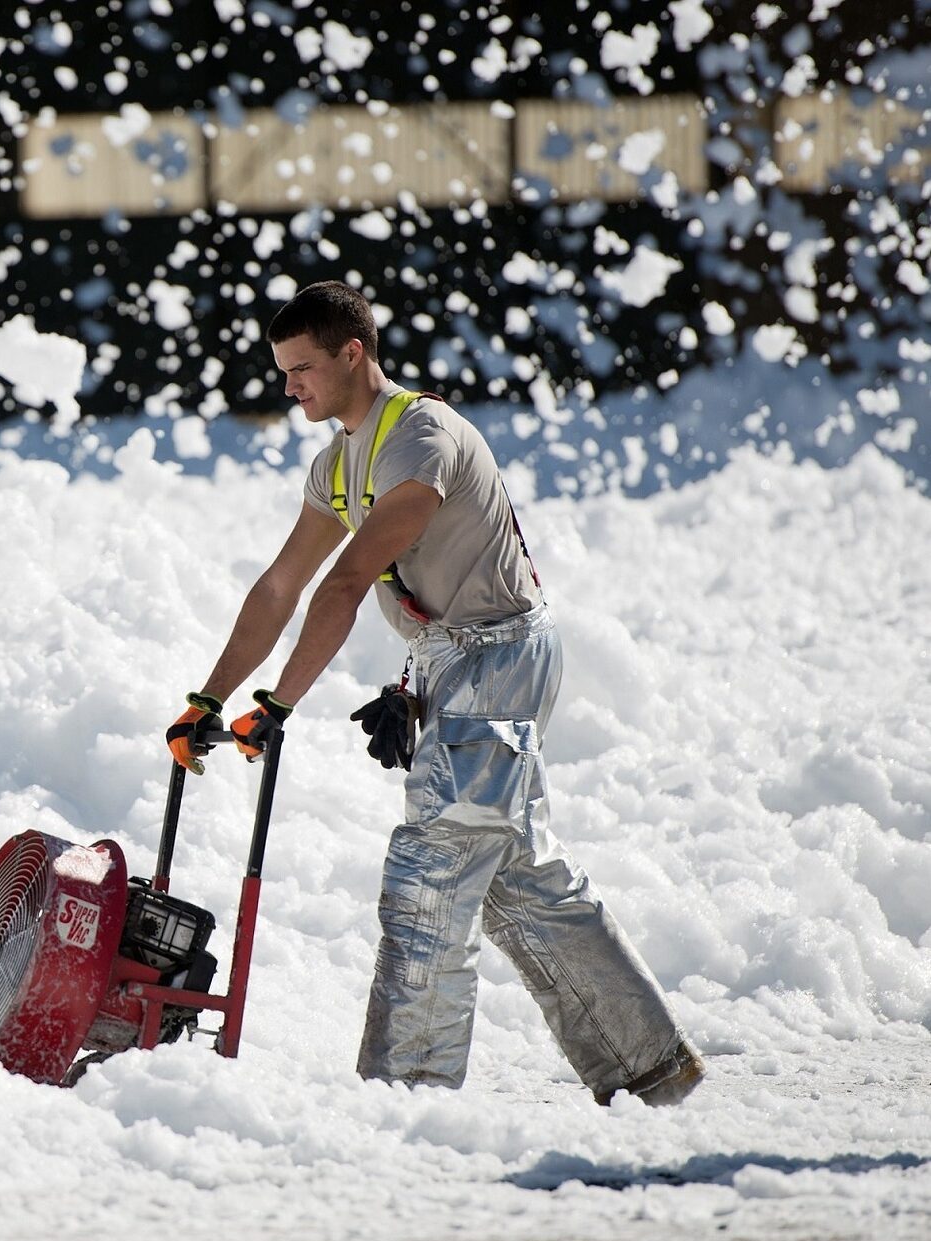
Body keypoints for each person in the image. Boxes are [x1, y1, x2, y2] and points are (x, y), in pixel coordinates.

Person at [166, 281, 703, 1105]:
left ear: (354, 353)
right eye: (282, 372)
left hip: (500, 657)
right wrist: (207, 701)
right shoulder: (337, 463)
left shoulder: (419, 437)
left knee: (435, 868)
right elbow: (280, 587)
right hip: (455, 662)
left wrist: (277, 705)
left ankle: (403, 1096)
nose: (289, 387)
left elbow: (344, 582)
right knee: (515, 876)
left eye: (303, 368)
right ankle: (650, 1065)